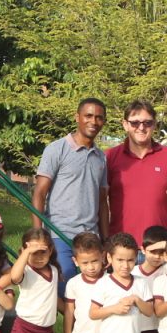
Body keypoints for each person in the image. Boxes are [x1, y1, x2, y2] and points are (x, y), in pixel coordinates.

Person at [33, 99, 109, 282]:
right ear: (77, 117)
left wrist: (106, 240)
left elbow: (102, 202)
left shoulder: (101, 158)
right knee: (63, 284)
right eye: (88, 116)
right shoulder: (57, 149)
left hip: (91, 235)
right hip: (60, 232)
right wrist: (38, 235)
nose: (93, 121)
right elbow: (39, 193)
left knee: (93, 289)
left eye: (99, 118)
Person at [105, 99, 167, 243]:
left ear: (154, 124)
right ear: (125, 125)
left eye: (147, 122)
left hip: (158, 247)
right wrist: (105, 240)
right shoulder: (110, 157)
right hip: (121, 249)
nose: (141, 127)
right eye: (135, 122)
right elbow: (99, 202)